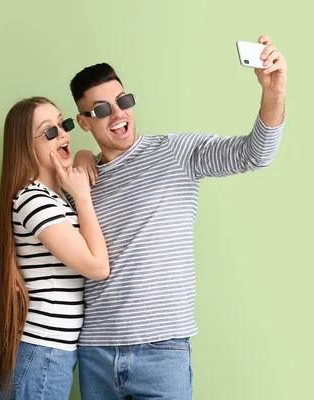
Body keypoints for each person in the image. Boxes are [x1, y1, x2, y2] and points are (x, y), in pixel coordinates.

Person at [69, 35, 287, 399]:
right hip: (95, 352)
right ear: (85, 121)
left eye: (123, 101)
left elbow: (255, 153)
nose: (119, 114)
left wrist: (274, 93)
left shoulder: (176, 153)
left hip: (162, 351)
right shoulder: (81, 183)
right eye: (103, 109)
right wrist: (79, 156)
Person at [0, 96, 110, 400]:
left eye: (63, 124)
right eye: (49, 131)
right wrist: (82, 198)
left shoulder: (53, 197)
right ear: (26, 146)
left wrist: (81, 155)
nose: (63, 134)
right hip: (43, 351)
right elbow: (97, 267)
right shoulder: (33, 199)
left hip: (52, 351)